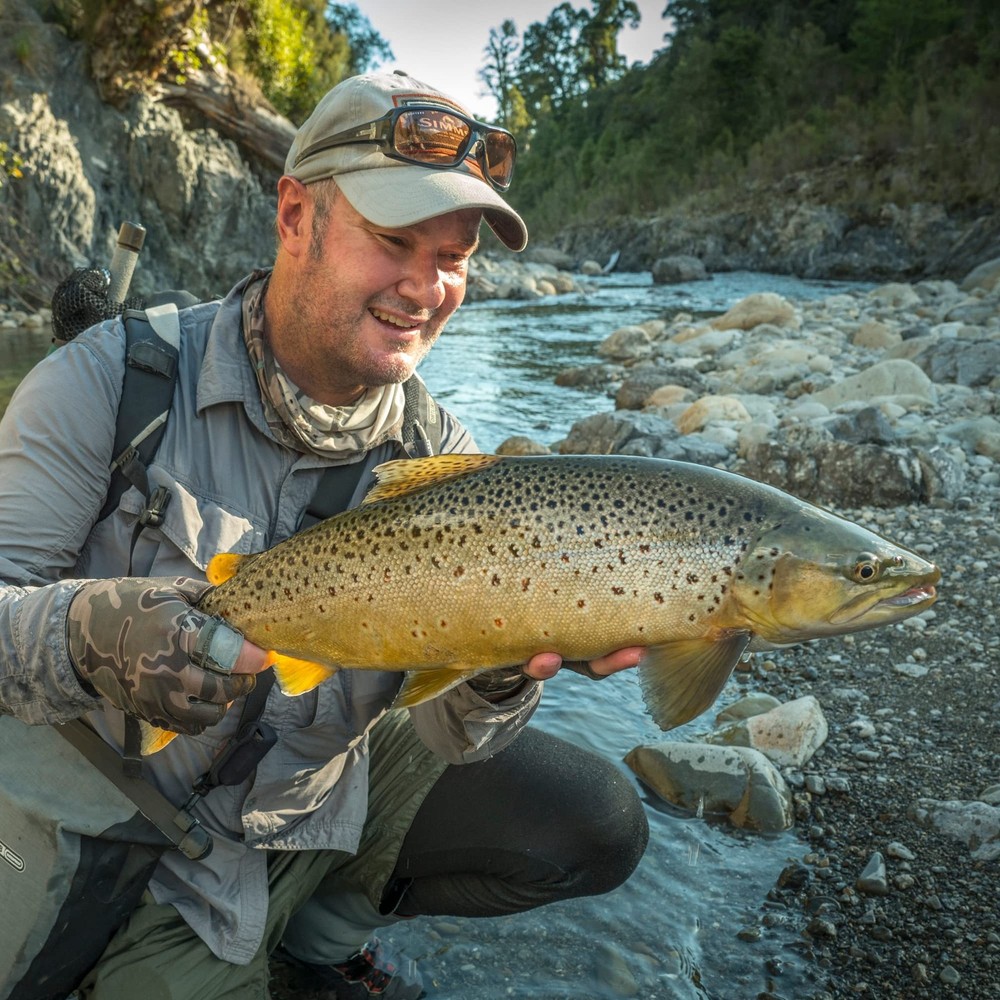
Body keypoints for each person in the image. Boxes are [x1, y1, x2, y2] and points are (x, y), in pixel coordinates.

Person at [0, 71, 649, 1000]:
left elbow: (453, 732)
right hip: (121, 825)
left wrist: (506, 667)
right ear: (295, 215)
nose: (427, 288)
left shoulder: (443, 454)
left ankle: (315, 940)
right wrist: (90, 634)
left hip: (312, 793)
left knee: (594, 822)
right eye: (393, 241)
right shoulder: (106, 383)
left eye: (455, 257)